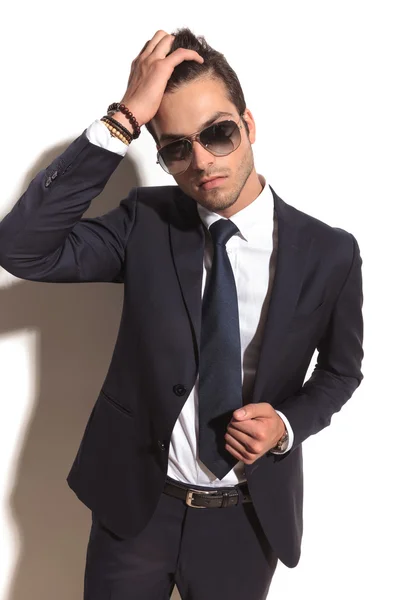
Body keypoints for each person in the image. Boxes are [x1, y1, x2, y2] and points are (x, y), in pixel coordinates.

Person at [0, 27, 364, 600]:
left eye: (218, 134)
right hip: (137, 510)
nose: (201, 162)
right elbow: (23, 249)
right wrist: (124, 117)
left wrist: (286, 427)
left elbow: (341, 372)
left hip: (245, 520)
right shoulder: (145, 222)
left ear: (248, 126)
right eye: (175, 147)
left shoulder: (330, 251)